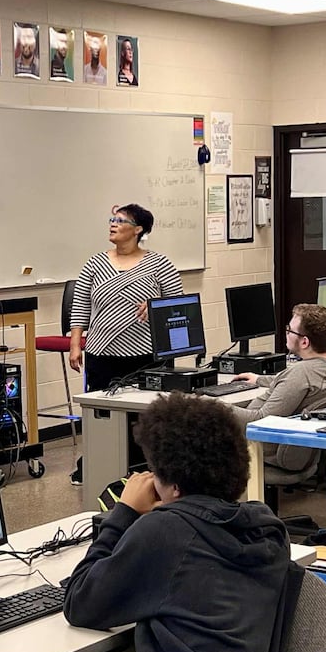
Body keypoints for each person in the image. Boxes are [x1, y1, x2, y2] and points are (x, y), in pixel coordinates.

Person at [63, 392, 291, 652]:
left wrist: (124, 513)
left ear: (174, 486)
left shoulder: (165, 533)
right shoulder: (266, 526)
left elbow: (79, 603)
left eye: (155, 472)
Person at [68, 204, 182, 483]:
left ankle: (146, 471)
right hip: (101, 353)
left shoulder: (159, 264)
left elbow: (177, 305)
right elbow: (80, 305)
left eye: (120, 220)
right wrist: (75, 344)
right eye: (112, 219)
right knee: (102, 417)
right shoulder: (95, 263)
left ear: (138, 229)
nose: (113, 224)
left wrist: (155, 305)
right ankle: (99, 466)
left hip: (145, 355)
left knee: (147, 419)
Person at [225, 303, 326, 426]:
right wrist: (259, 379)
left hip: (256, 441)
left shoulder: (301, 373)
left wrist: (211, 404)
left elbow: (262, 420)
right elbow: (293, 383)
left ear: (304, 342)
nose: (287, 333)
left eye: (290, 330)